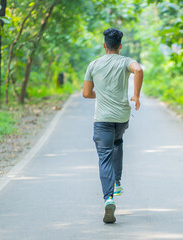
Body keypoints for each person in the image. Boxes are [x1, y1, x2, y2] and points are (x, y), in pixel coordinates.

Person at [82, 28, 143, 223]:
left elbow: (85, 93)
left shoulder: (94, 64)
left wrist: (100, 95)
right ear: (120, 46)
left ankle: (109, 198)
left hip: (102, 118)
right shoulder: (125, 62)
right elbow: (139, 69)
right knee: (117, 142)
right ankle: (117, 182)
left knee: (104, 156)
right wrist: (136, 95)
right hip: (121, 117)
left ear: (104, 45)